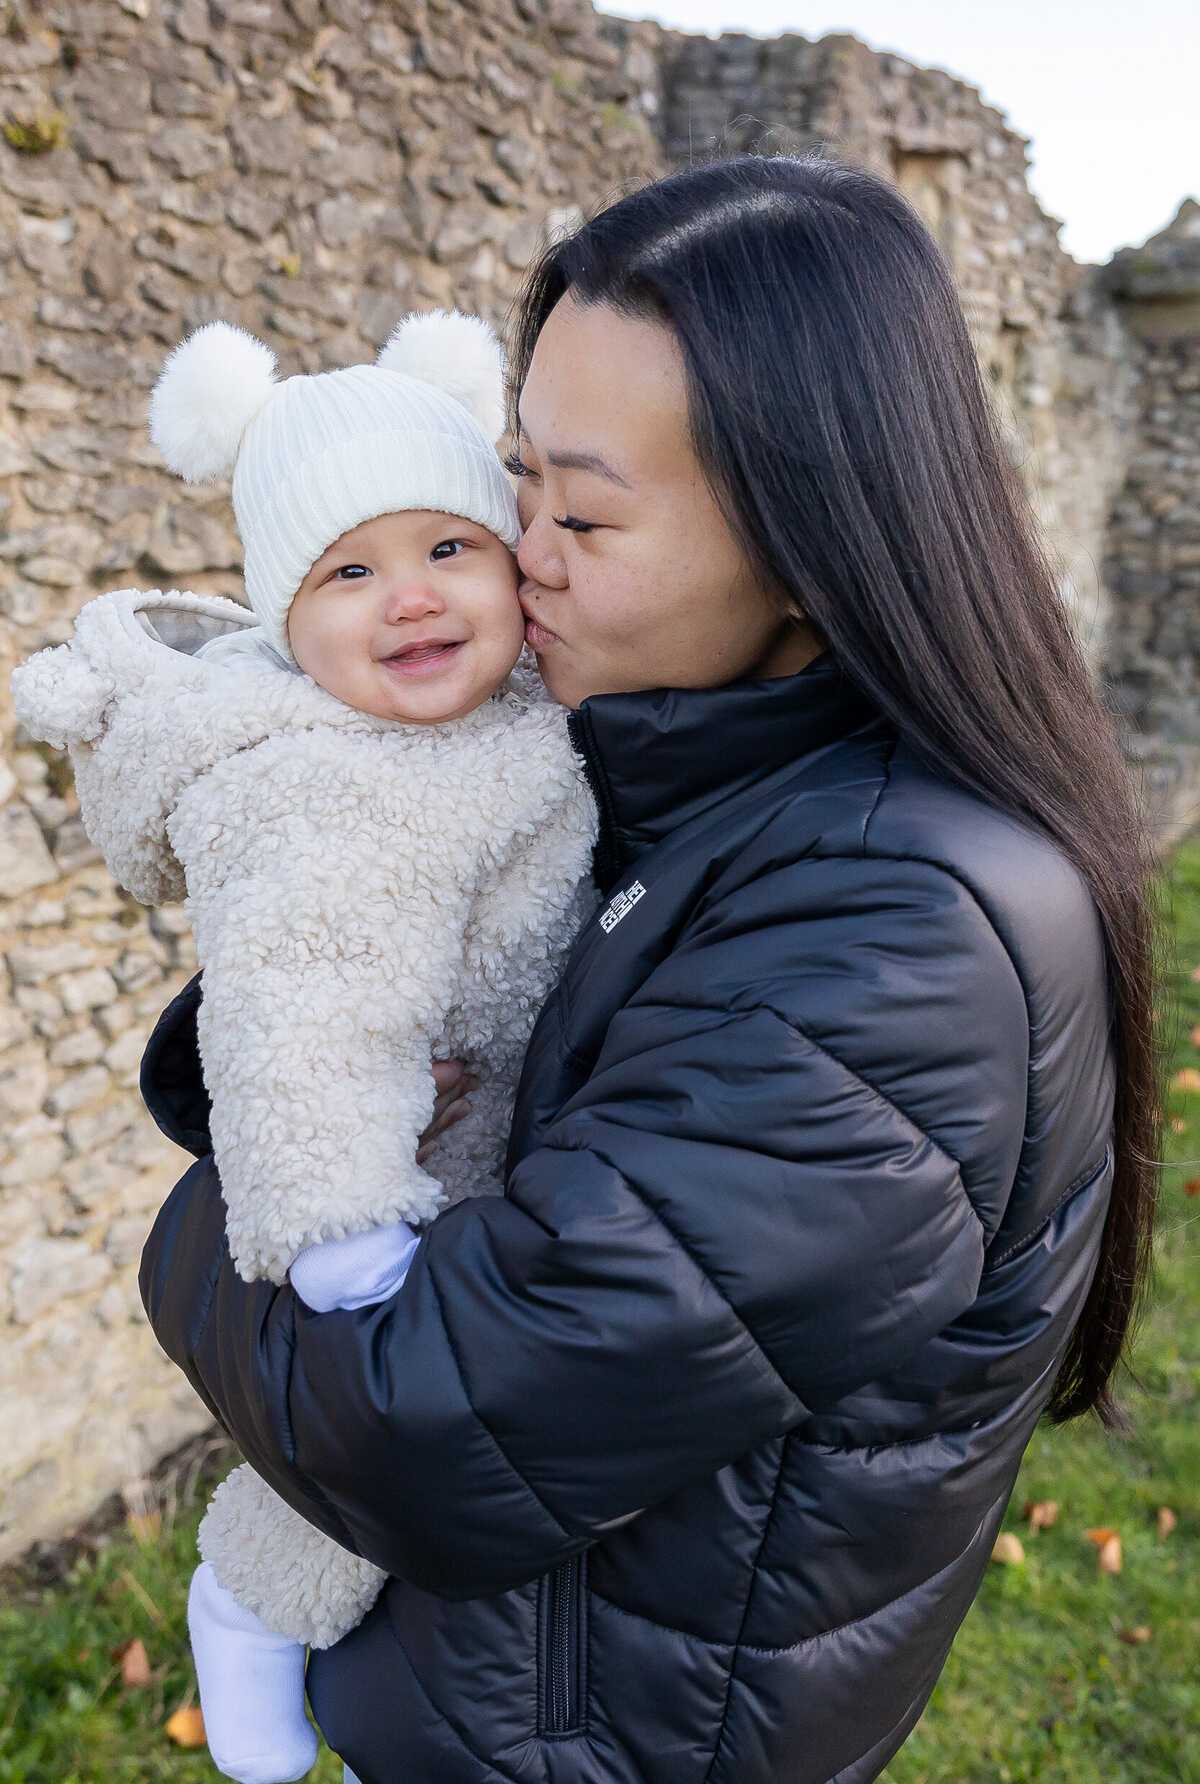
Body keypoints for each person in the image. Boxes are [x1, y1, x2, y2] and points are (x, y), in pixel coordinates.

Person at [138, 156, 1158, 1784]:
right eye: (517, 477)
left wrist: (206, 1214)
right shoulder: (680, 781)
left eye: (584, 513)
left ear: (815, 544)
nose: (513, 549)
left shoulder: (901, 943)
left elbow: (419, 1422)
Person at [13, 312, 594, 1784]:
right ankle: (243, 1616)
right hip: (389, 1192)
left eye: (448, 548)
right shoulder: (327, 789)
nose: (407, 597)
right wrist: (343, 1226)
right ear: (287, 618)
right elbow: (299, 1014)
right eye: (348, 571)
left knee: (381, 1496)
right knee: (348, 1500)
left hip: (486, 1143)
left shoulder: (509, 714)